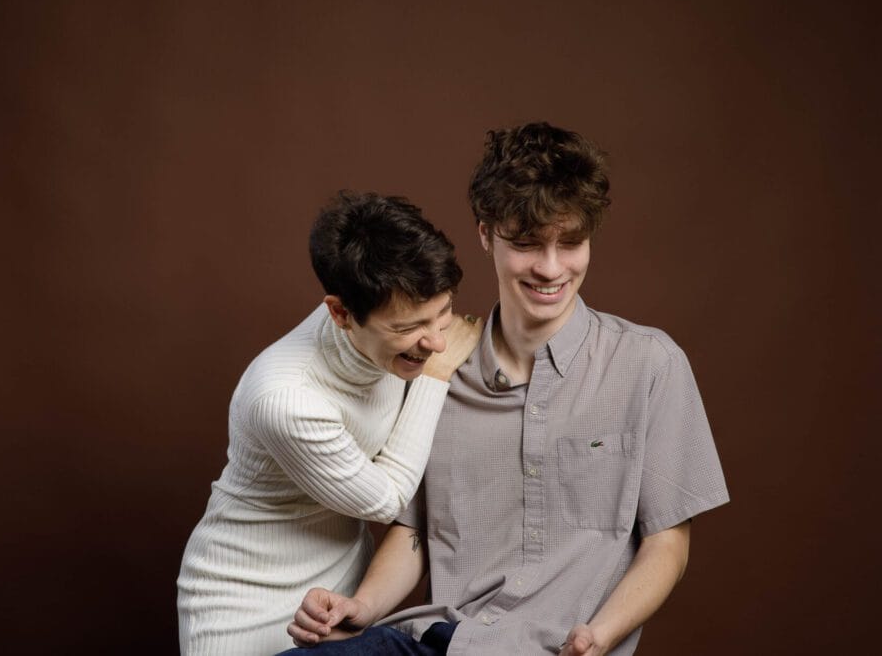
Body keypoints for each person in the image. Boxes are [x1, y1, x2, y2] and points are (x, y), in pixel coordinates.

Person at [283, 123, 730, 655]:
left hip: (560, 648)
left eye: (571, 243)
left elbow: (667, 543)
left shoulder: (650, 365)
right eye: (526, 244)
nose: (550, 267)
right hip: (437, 640)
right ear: (485, 234)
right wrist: (363, 606)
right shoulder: (435, 371)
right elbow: (415, 533)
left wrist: (601, 636)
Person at [177, 190, 482, 655]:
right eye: (409, 328)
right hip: (242, 606)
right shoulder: (284, 397)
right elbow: (386, 500)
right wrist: (433, 380)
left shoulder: (383, 321)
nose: (439, 342)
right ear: (340, 313)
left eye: (444, 314)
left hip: (337, 602)